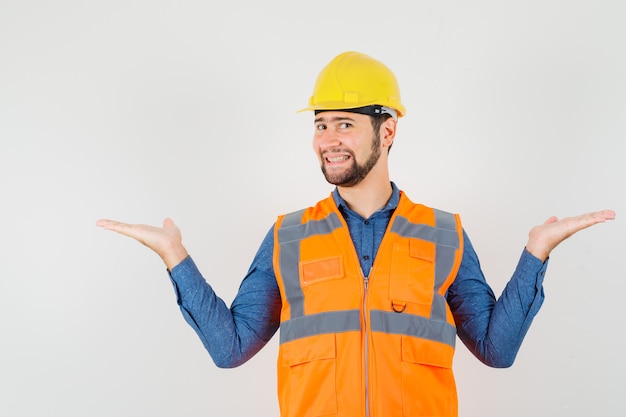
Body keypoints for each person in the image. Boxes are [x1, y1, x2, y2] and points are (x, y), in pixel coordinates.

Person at [97, 51, 615, 417]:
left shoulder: (445, 234)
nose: (328, 140)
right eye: (320, 125)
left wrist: (536, 253)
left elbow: (495, 349)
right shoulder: (287, 236)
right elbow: (230, 347)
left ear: (386, 131)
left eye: (344, 124)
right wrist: (175, 255)